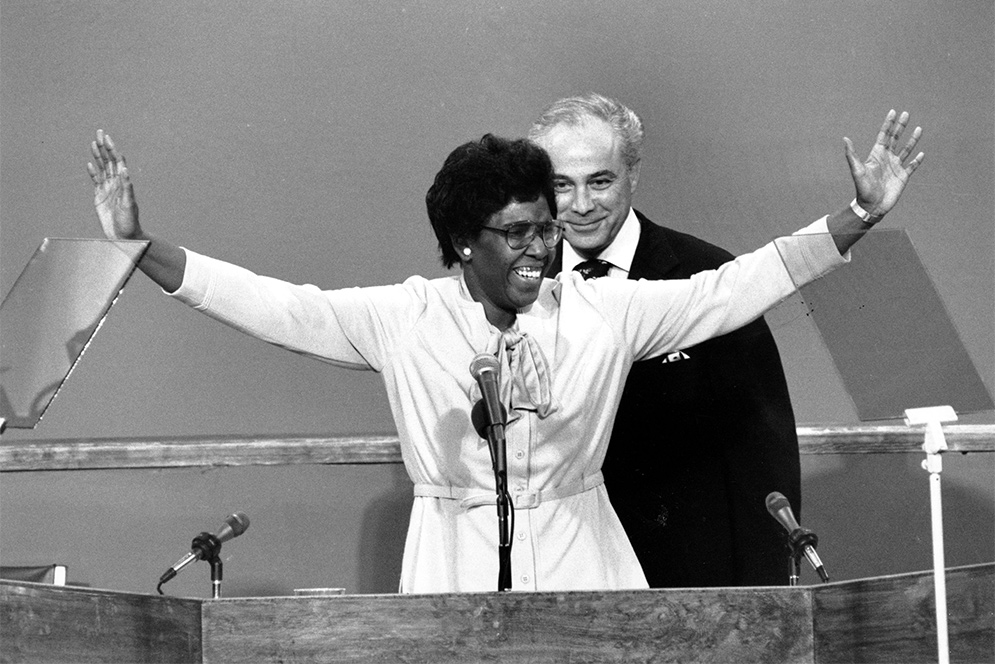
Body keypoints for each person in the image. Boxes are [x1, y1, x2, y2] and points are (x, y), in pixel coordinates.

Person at [87, 114, 922, 594]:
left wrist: (854, 217)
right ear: (460, 242)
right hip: (448, 557)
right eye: (516, 233)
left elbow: (732, 288)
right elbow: (273, 306)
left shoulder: (605, 312)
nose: (539, 250)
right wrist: (141, 247)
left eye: (545, 229)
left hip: (583, 552)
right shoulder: (404, 319)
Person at [528, 93, 808, 586]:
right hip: (566, 566)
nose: (582, 205)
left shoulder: (706, 274)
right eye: (561, 186)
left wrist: (763, 590)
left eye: (600, 181)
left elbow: (762, 451)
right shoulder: (522, 286)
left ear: (632, 174)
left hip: (692, 569)